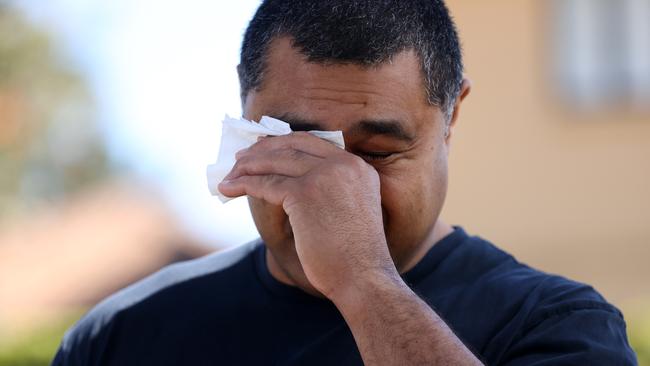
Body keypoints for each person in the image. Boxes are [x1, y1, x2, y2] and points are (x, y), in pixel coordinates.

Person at [52, 0, 638, 365]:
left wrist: (363, 281)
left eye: (377, 154)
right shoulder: (124, 334)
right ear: (243, 108)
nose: (333, 187)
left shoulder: (557, 326)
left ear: (451, 117)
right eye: (297, 147)